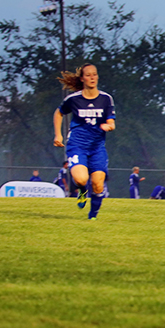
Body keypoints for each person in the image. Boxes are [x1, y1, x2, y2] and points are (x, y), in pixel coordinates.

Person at [53, 63, 115, 220]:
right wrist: (58, 135)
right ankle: (82, 190)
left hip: (97, 147)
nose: (92, 77)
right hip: (77, 145)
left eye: (94, 74)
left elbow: (112, 122)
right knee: (81, 179)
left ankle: (92, 216)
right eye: (88, 75)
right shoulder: (73, 99)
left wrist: (108, 126)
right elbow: (59, 113)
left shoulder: (106, 99)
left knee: (98, 184)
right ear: (82, 78)